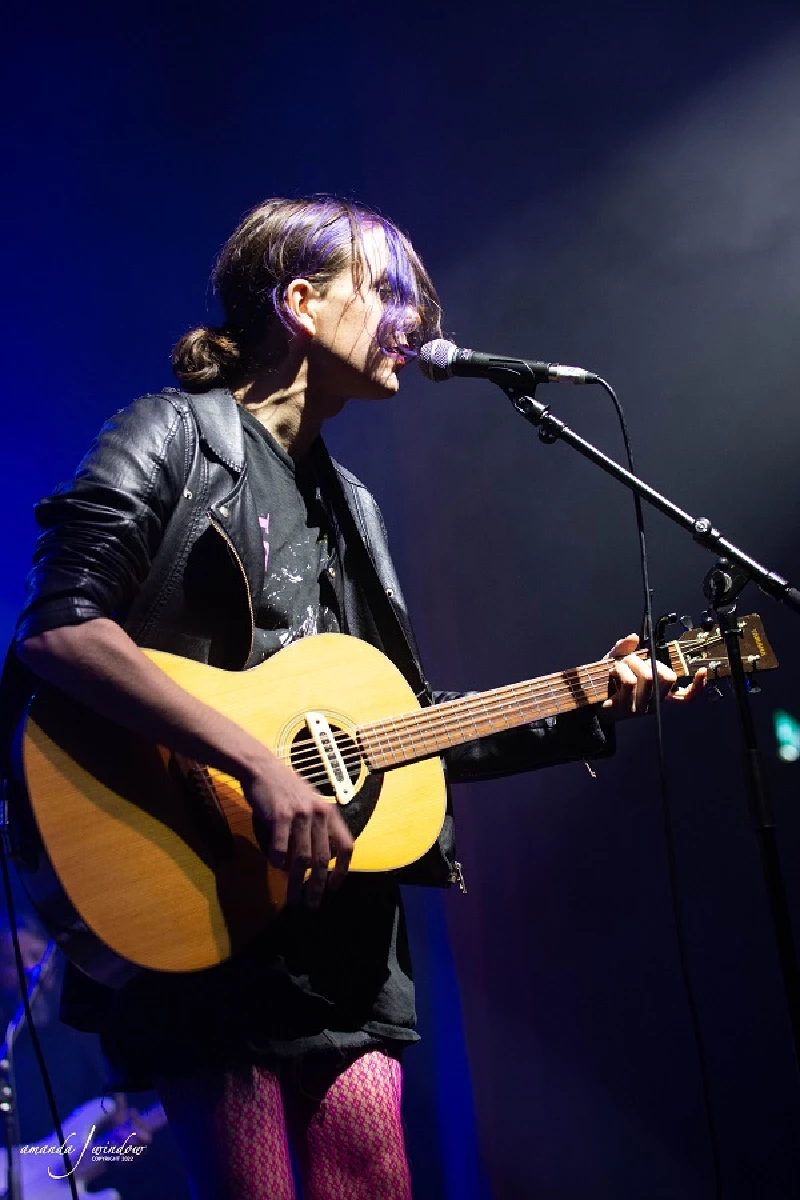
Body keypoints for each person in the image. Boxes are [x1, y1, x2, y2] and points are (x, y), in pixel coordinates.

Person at [3, 197, 704, 1199]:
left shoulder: (353, 508)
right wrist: (253, 765)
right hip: (196, 891)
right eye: (386, 290)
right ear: (296, 302)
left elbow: (396, 727)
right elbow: (61, 629)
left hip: (339, 934)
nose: (413, 319)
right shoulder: (167, 437)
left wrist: (585, 699)